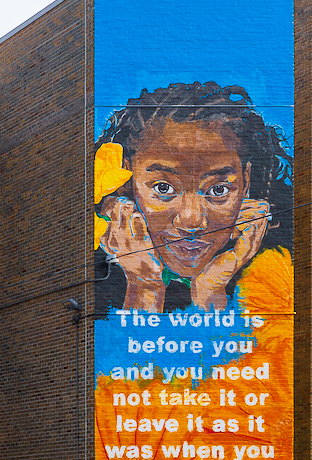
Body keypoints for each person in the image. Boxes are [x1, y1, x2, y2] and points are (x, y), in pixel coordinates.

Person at [93, 82, 294, 314]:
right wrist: (144, 284)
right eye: (163, 188)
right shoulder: (91, 278)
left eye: (218, 190)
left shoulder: (279, 274)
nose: (192, 221)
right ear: (125, 181)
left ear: (246, 182)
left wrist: (211, 290)